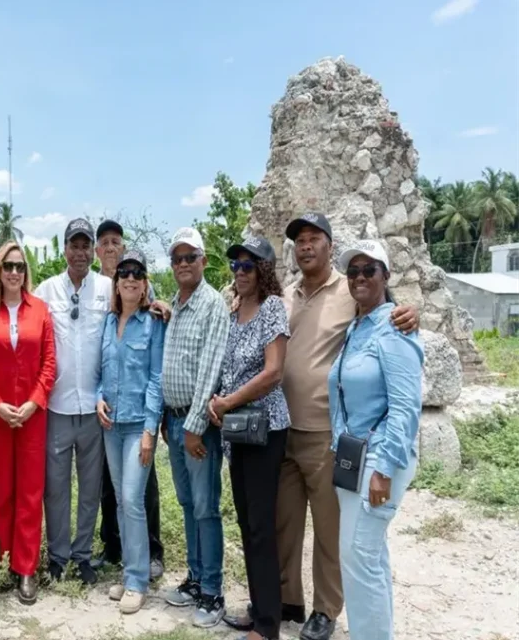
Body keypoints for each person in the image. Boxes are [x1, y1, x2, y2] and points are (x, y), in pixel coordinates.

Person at [278, 213, 418, 640]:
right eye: (299, 240)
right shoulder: (287, 295)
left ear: (328, 245)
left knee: (336, 535)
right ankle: (289, 600)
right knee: (289, 524)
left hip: (332, 437)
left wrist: (411, 312)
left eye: (314, 238)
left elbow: (403, 394)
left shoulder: (351, 295)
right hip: (288, 429)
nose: (305, 246)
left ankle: (326, 610)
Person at [329, 240, 423, 640]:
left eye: (369, 270)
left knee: (358, 555)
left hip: (379, 459)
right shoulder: (358, 325)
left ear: (386, 276)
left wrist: (383, 469)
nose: (360, 278)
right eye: (353, 272)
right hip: (354, 456)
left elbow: (405, 406)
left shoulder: (394, 326)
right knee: (369, 557)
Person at [208, 236, 290, 640]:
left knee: (260, 525)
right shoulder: (235, 312)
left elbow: (274, 371)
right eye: (236, 266)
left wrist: (229, 402)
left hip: (265, 429)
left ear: (264, 270)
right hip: (238, 432)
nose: (240, 273)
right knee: (246, 522)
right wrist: (216, 400)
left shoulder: (273, 308)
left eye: (248, 266)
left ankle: (268, 626)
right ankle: (259, 608)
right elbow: (228, 371)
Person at [0, 241, 56, 605]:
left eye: (20, 266)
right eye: (8, 266)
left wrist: (35, 402)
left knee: (30, 493)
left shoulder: (41, 311)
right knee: (3, 491)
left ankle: (26, 568)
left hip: (33, 417)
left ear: (26, 271)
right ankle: (7, 559)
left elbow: (50, 363)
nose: (15, 273)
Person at [33, 218, 111, 586]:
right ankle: (57, 556)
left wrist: (158, 304)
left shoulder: (108, 289)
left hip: (95, 409)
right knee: (56, 487)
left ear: (92, 250)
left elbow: (135, 308)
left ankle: (82, 556)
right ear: (64, 248)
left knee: (90, 486)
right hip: (57, 407)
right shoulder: (46, 291)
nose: (80, 252)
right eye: (74, 245)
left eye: (85, 245)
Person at [160, 226, 229, 628]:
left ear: (203, 261)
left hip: (195, 424)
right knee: (187, 505)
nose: (184, 264)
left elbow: (210, 370)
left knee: (205, 507)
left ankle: (214, 590)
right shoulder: (177, 302)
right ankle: (195, 577)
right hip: (174, 419)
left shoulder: (212, 304)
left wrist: (194, 425)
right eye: (178, 258)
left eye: (191, 257)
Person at [93, 219, 166, 582]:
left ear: (145, 282)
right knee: (122, 500)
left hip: (139, 425)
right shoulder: (107, 323)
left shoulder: (153, 322)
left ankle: (138, 576)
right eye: (125, 274)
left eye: (137, 273)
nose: (131, 278)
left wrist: (151, 429)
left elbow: (156, 380)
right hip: (111, 427)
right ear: (117, 282)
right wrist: (96, 399)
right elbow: (99, 374)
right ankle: (128, 569)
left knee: (134, 499)